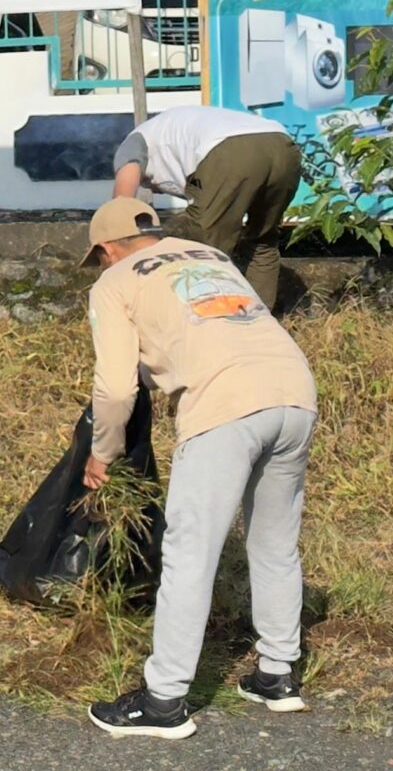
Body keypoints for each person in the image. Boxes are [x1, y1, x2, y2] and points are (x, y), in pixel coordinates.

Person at [81, 198, 319, 740]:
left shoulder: (115, 282)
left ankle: (164, 701)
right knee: (274, 543)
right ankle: (277, 675)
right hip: (294, 393)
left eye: (98, 258)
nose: (100, 266)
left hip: (224, 406)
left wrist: (103, 452)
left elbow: (114, 387)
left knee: (190, 553)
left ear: (108, 248)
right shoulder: (208, 255)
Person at [113, 105, 303, 308]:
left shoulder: (133, 143)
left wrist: (115, 244)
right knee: (262, 242)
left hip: (231, 150)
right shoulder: (174, 131)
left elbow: (120, 208)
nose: (155, 191)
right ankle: (259, 319)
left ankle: (209, 318)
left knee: (202, 244)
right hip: (283, 147)